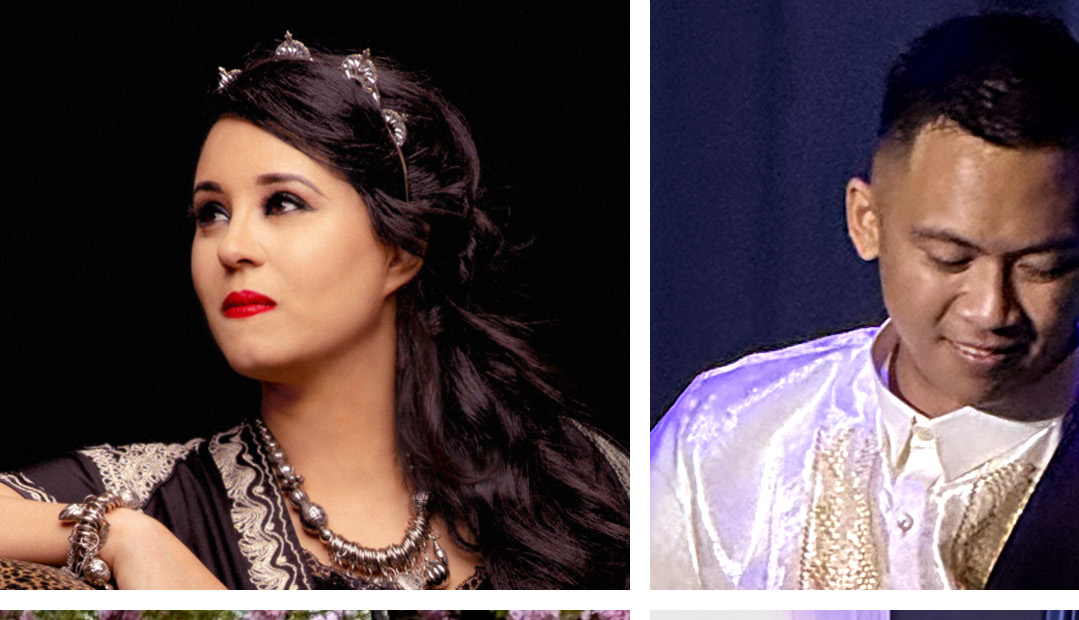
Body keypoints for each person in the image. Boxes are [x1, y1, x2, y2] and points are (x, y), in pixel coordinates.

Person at [651, 13, 1079, 590]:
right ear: (866, 221)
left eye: (1041, 267)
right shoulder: (721, 436)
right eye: (950, 258)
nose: (990, 309)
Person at [0, 31, 628, 590]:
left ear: (401, 249)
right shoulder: (151, 495)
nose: (234, 248)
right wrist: (120, 536)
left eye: (282, 204)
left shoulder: (580, 483)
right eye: (210, 214)